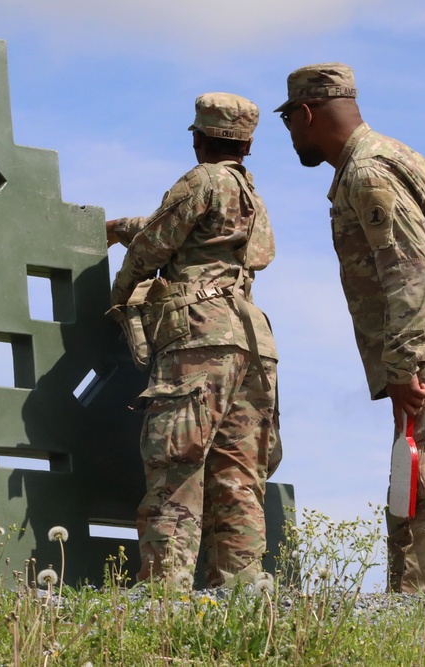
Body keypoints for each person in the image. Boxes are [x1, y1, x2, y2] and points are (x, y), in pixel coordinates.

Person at [274, 63, 425, 594]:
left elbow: (411, 271)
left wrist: (402, 365)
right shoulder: (377, 160)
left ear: (307, 113)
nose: (290, 135)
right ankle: (416, 629)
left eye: (289, 121)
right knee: (412, 497)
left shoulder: (370, 170)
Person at [106, 93, 280, 587]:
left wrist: (120, 298)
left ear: (200, 138)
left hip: (199, 337)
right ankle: (241, 586)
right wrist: (123, 227)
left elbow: (154, 245)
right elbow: (197, 234)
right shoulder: (249, 194)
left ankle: (164, 590)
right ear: (246, 143)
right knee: (240, 471)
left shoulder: (202, 180)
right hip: (252, 340)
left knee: (175, 460)